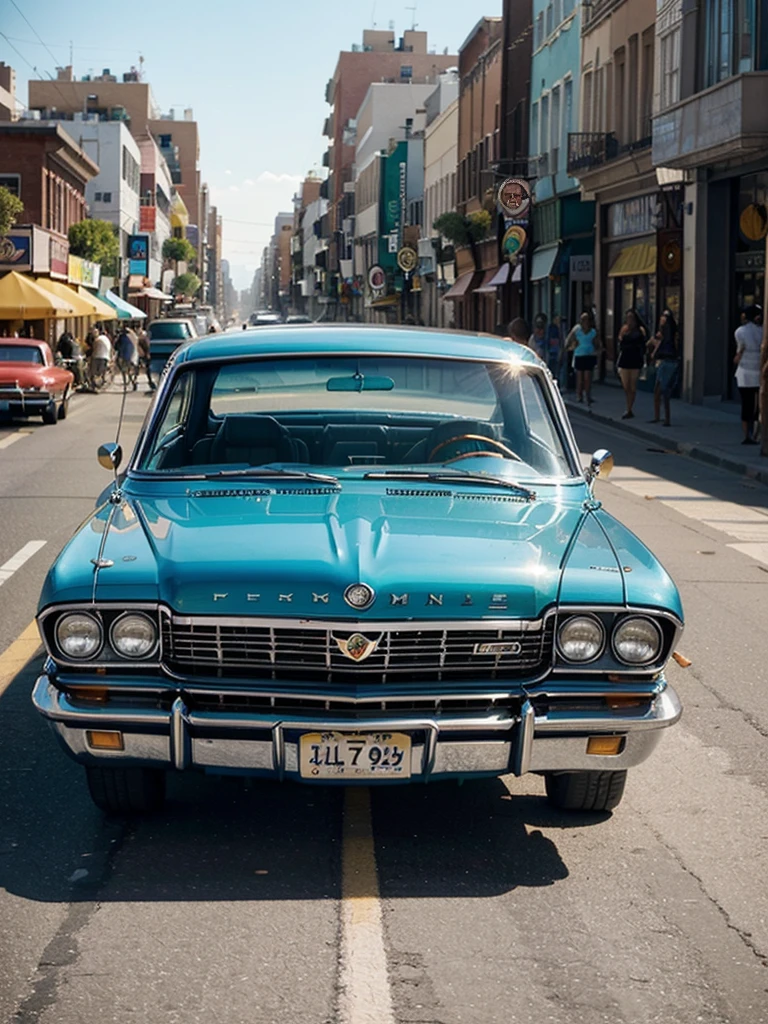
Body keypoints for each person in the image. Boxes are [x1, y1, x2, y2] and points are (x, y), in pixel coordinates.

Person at [733, 305, 762, 444]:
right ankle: (756, 434)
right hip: (758, 371)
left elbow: (740, 349)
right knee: (757, 406)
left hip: (744, 371)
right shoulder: (762, 331)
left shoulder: (740, 331)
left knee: (746, 404)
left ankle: (747, 435)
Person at [648, 309, 679, 426]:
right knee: (659, 390)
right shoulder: (665, 333)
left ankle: (666, 418)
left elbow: (665, 346)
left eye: (664, 317)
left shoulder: (668, 333)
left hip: (668, 362)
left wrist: (655, 345)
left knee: (663, 390)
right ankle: (660, 417)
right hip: (665, 361)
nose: (662, 319)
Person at [616, 308, 648, 419]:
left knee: (632, 386)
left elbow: (644, 344)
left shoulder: (640, 330)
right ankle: (628, 404)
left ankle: (629, 409)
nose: (629, 320)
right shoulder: (624, 329)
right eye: (627, 317)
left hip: (635, 359)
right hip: (625, 358)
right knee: (626, 386)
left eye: (631, 317)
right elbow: (620, 342)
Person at [566, 312, 600, 405]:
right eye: (582, 320)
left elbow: (598, 344)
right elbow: (569, 341)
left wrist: (597, 349)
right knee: (580, 378)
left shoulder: (593, 332)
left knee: (587, 377)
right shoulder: (577, 332)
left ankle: (587, 395)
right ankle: (579, 395)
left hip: (589, 356)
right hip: (579, 355)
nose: (585, 322)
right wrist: (572, 346)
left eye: (586, 320)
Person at [136, 327, 155, 393]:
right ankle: (149, 381)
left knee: (142, 368)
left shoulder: (142, 340)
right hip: (144, 355)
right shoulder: (145, 340)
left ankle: (136, 380)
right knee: (146, 369)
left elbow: (145, 348)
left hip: (143, 355)